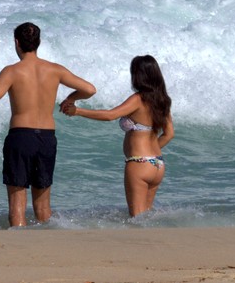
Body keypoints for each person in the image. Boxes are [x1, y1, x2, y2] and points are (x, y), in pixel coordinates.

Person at [0, 22, 96, 227]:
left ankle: (20, 249)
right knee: (43, 207)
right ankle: (44, 249)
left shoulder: (12, 71)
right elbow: (89, 89)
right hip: (46, 138)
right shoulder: (55, 70)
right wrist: (70, 99)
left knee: (17, 204)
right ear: (39, 43)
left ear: (16, 42)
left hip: (21, 138)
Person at [61, 55, 174, 217]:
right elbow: (169, 134)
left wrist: (78, 111)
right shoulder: (163, 101)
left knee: (136, 218)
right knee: (146, 217)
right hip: (157, 163)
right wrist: (150, 151)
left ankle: (143, 243)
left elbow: (110, 115)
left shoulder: (138, 99)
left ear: (138, 75)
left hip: (139, 163)